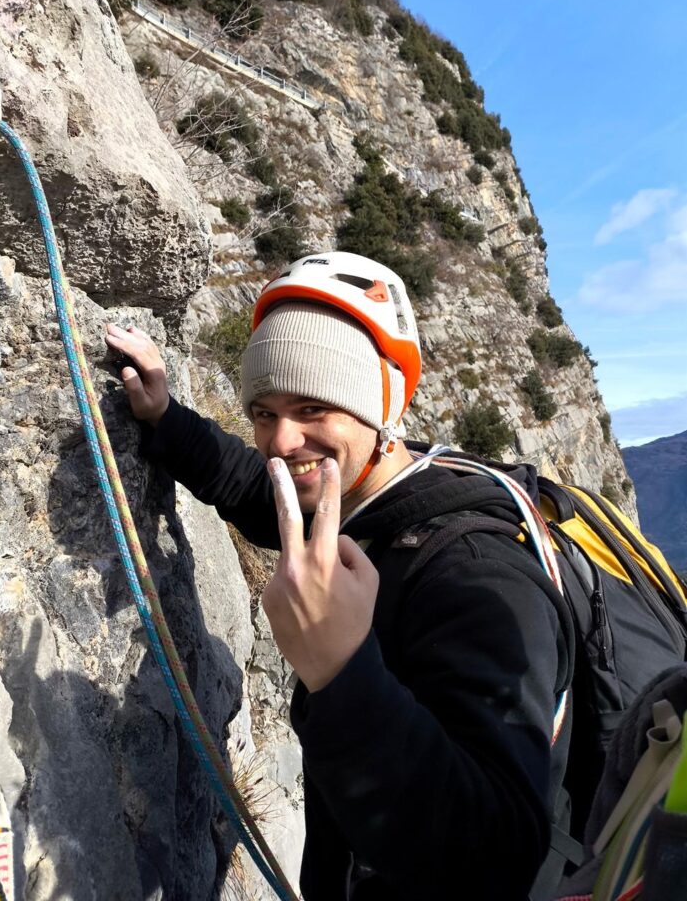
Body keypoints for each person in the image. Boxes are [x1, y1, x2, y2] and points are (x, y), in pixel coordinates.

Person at [105, 251, 573, 901]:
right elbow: (255, 486)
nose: (282, 440)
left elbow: (497, 853)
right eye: (264, 412)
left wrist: (341, 673)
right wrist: (166, 417)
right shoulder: (360, 498)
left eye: (312, 408)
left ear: (380, 407)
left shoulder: (475, 577)